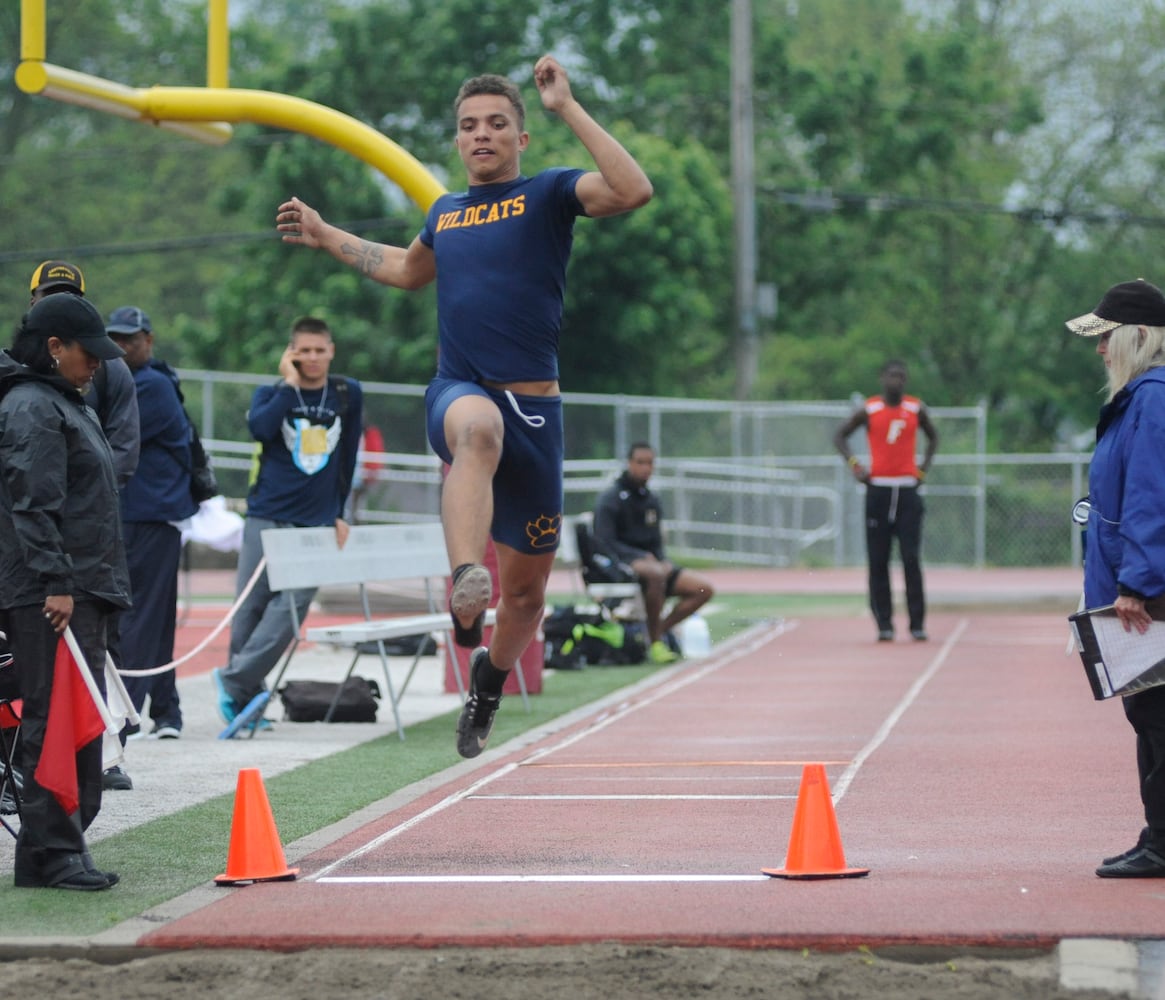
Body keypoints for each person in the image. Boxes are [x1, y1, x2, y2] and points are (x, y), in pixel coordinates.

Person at [276, 54, 652, 758]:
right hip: (461, 390)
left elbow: (633, 190)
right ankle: (462, 578)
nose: (481, 135)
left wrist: (566, 105)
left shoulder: (546, 195)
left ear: (519, 137)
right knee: (476, 431)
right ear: (456, 140)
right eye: (468, 126)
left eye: (496, 125)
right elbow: (403, 269)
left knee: (527, 600)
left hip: (537, 415)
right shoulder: (444, 214)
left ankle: (487, 680)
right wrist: (327, 236)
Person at [0, 293, 131, 890]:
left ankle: (56, 848)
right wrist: (56, 581)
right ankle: (52, 853)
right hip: (54, 592)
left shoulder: (61, 402)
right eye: (89, 353)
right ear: (54, 347)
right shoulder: (32, 406)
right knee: (53, 721)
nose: (98, 364)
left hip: (80, 586)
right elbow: (34, 502)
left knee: (76, 719)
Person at [212, 317, 363, 727]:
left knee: (293, 605)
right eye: (304, 351)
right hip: (267, 514)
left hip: (315, 522)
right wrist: (289, 384)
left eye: (319, 350)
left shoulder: (348, 393)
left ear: (331, 350)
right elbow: (260, 430)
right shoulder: (272, 394)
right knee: (251, 608)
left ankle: (232, 679)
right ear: (292, 353)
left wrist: (340, 511)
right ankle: (247, 704)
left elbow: (347, 455)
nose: (312, 358)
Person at [1065, 278, 1165, 878]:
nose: (1100, 349)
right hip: (1136, 584)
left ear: (1138, 337)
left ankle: (1163, 844)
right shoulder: (1140, 399)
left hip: (1149, 594)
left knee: (1157, 719)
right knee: (1147, 716)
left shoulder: (1152, 399)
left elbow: (1151, 499)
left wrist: (1137, 584)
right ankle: (1158, 833)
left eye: (1106, 336)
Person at [30, 262, 140, 792]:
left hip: (93, 557)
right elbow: (33, 492)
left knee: (98, 658)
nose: (94, 362)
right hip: (52, 563)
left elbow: (120, 451)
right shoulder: (27, 393)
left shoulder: (107, 372)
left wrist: (92, 500)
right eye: (51, 295)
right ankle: (52, 799)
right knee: (45, 686)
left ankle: (105, 756)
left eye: (71, 294)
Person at [104, 306, 198, 741]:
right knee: (154, 618)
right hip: (149, 513)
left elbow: (108, 435)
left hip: (146, 514)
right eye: (114, 338)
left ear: (149, 340)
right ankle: (167, 711)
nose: (121, 346)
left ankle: (125, 720)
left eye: (130, 338)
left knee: (137, 618)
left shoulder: (150, 385)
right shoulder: (139, 381)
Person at [833, 360, 938, 643]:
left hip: (907, 492)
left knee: (911, 559)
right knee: (878, 561)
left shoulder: (915, 408)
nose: (897, 381)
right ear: (882, 379)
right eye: (892, 376)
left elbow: (933, 437)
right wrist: (856, 466)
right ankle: (884, 623)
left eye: (902, 377)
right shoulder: (871, 409)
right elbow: (839, 435)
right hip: (878, 491)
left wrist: (922, 469)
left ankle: (917, 623)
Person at [592, 443, 715, 664]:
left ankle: (654, 632)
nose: (645, 468)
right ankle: (657, 643)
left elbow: (656, 543)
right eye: (640, 462)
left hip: (653, 564)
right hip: (623, 563)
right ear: (629, 463)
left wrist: (663, 559)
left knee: (703, 589)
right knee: (655, 574)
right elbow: (604, 542)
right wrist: (638, 556)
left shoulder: (652, 500)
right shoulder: (611, 499)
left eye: (650, 463)